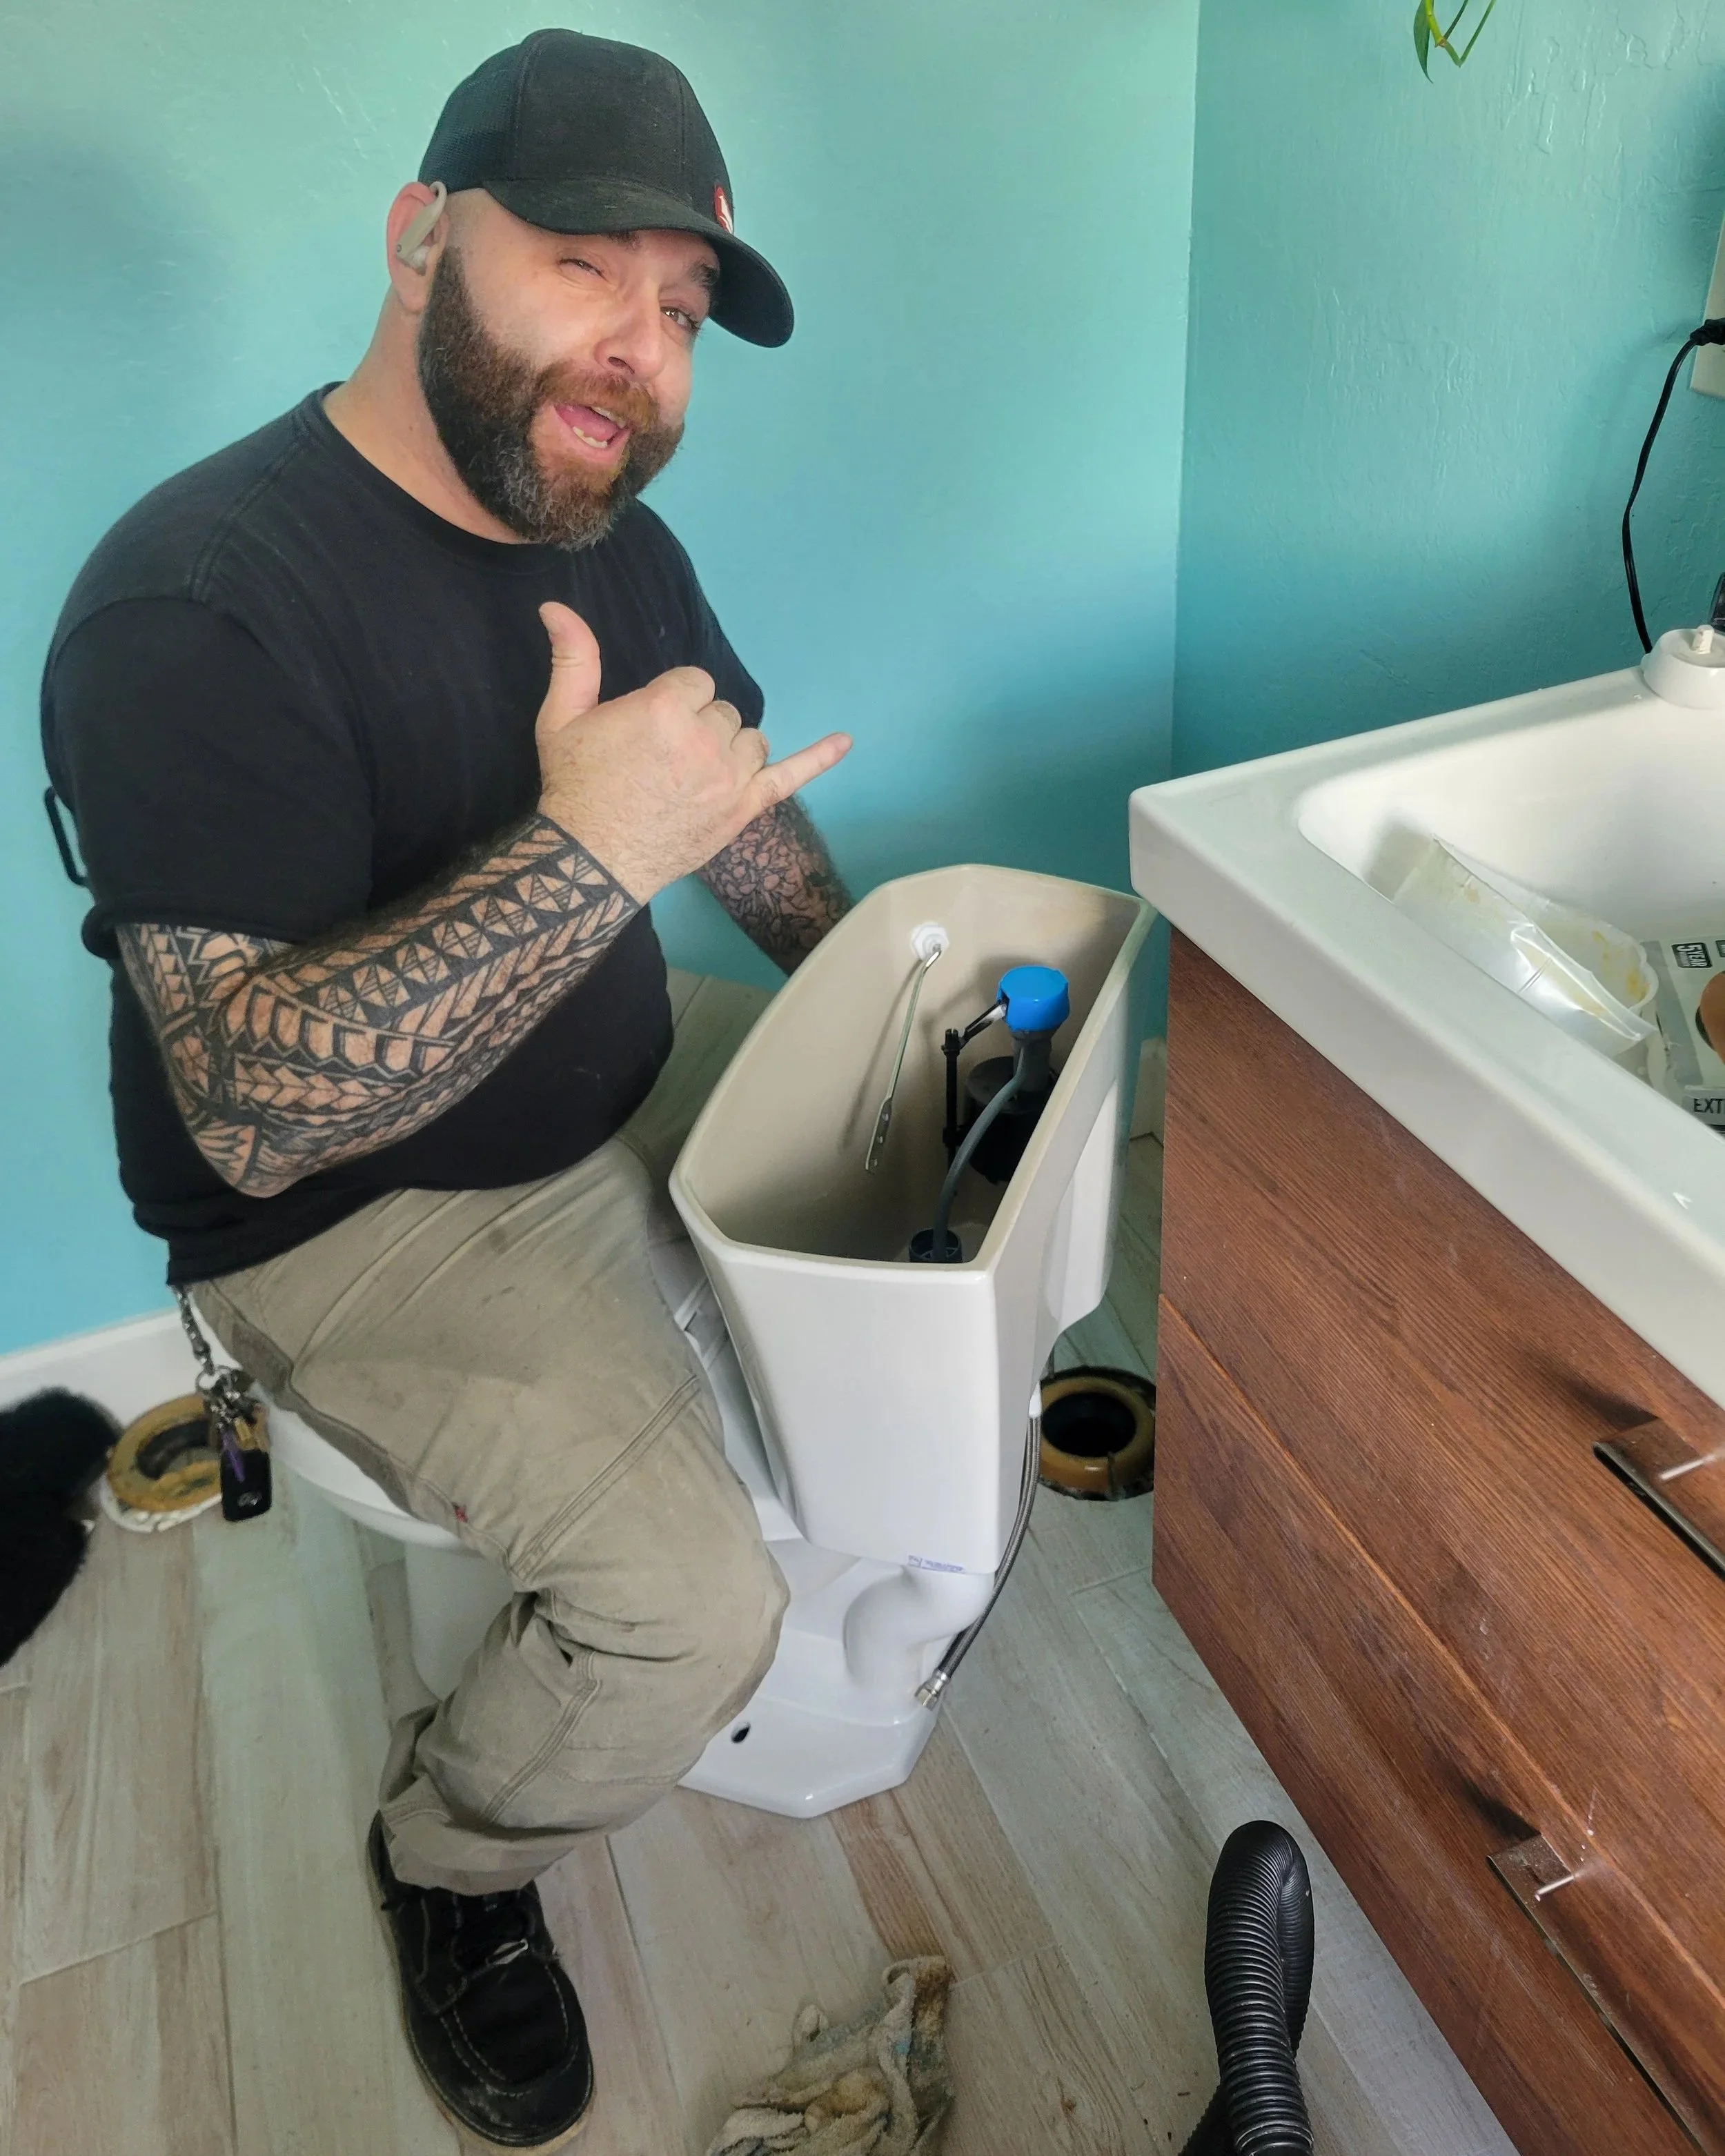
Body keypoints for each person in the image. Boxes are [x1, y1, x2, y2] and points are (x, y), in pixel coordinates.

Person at [41, 30, 851, 2153]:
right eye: (585, 266)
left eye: (678, 312)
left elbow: (724, 799)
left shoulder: (594, 520)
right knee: (697, 1610)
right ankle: (452, 1852)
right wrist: (591, 853)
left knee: (928, 1167)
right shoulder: (193, 600)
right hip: (358, 1215)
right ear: (422, 243)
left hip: (620, 1064)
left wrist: (867, 984)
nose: (639, 353)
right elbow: (248, 1111)